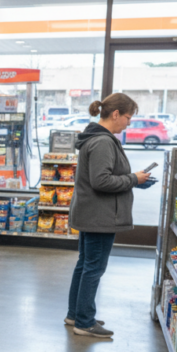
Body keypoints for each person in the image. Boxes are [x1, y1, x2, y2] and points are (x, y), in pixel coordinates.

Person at [67, 93, 150, 339]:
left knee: (85, 265)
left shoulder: (96, 138)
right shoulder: (103, 142)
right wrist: (134, 178)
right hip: (100, 216)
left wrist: (133, 179)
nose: (128, 123)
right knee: (93, 268)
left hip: (93, 213)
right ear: (115, 114)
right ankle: (84, 321)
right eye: (128, 117)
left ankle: (76, 313)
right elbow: (101, 180)